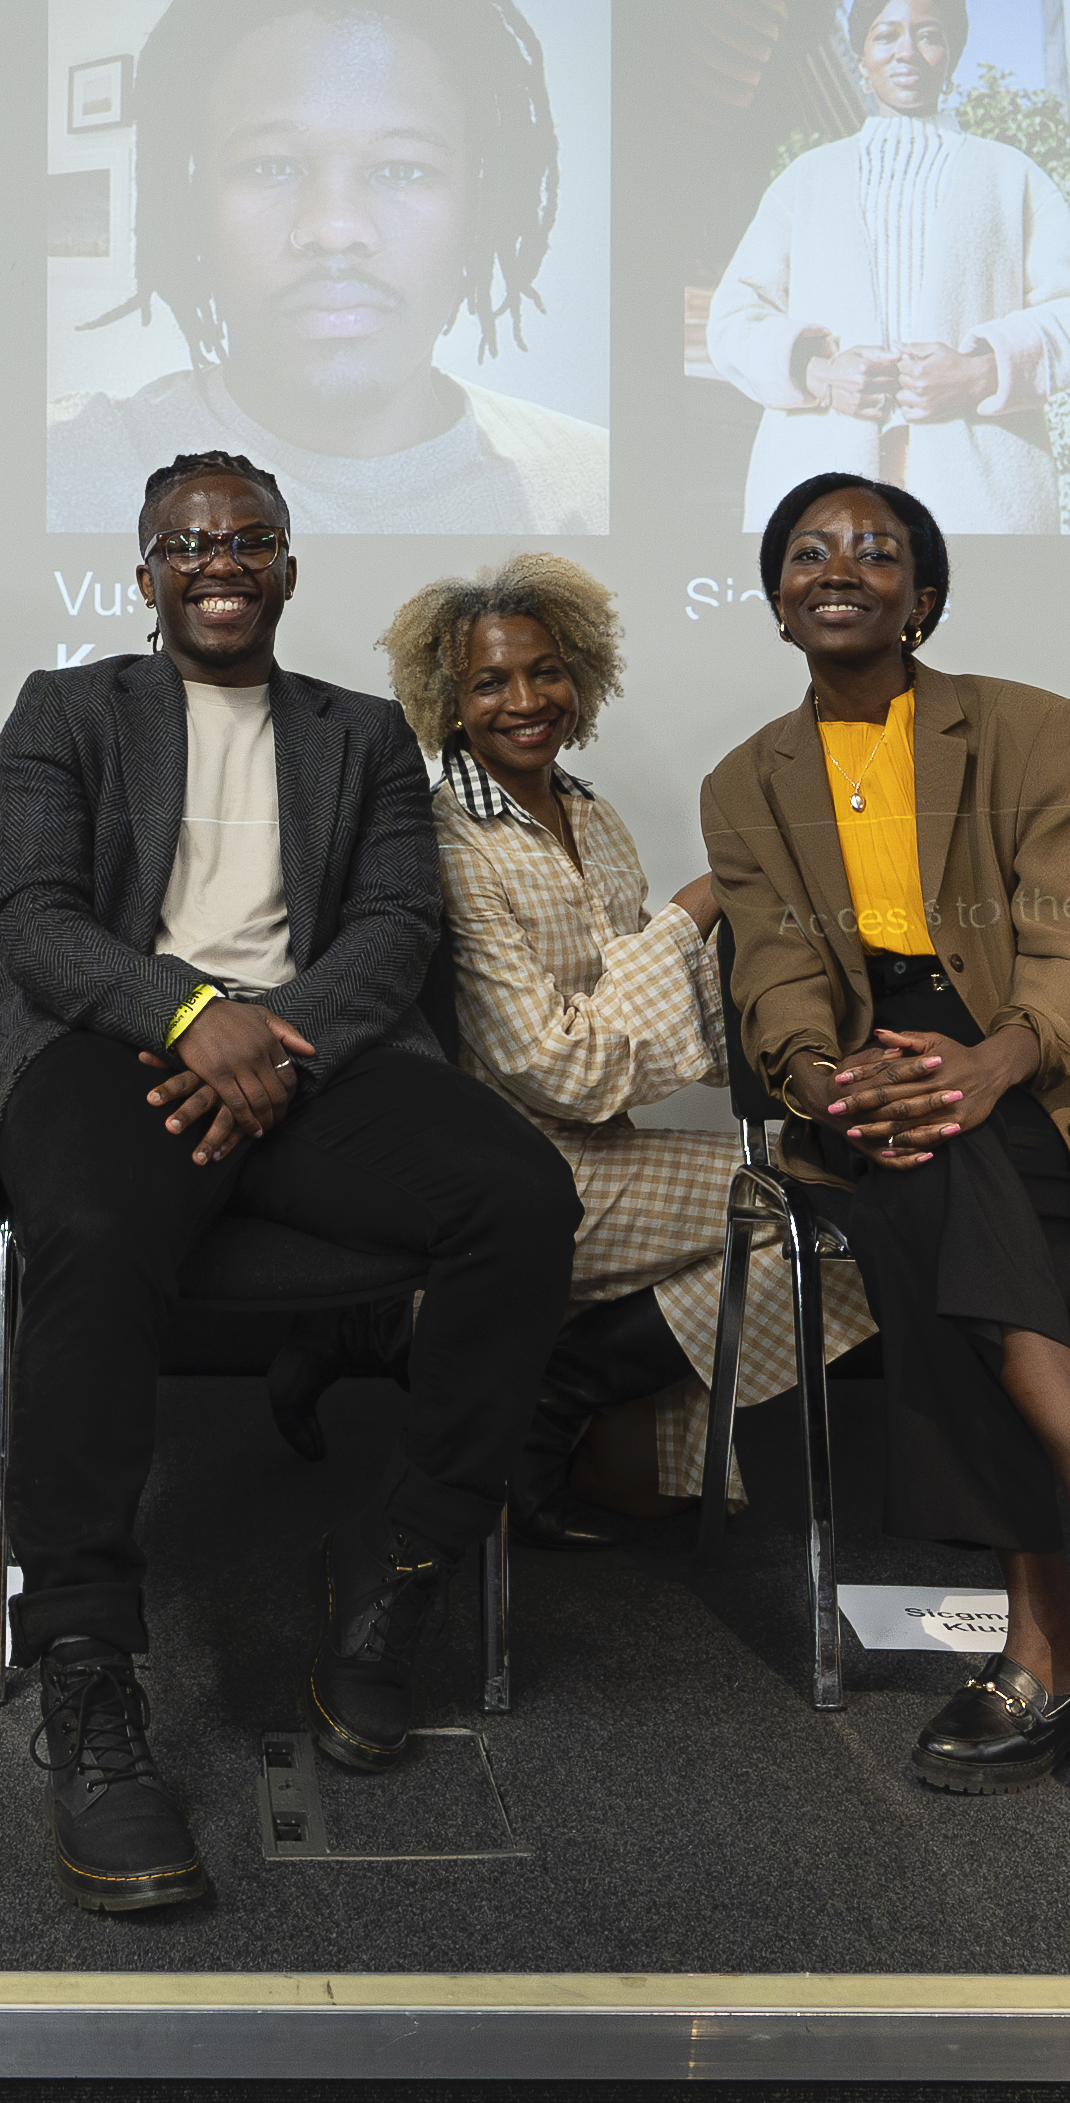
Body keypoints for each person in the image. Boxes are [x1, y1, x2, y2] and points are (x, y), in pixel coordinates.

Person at [0, 451, 580, 1914]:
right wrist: (185, 1016)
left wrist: (268, 1042)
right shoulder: (66, 710)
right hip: (110, 1051)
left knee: (520, 1198)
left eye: (249, 541)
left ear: (288, 567)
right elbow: (33, 915)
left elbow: (398, 924)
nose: (219, 562)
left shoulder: (361, 733)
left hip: (311, 1054)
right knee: (93, 1230)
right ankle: (89, 1679)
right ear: (144, 572)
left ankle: (402, 1560)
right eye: (188, 543)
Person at [700, 471, 1070, 1795]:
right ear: (776, 602)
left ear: (923, 598)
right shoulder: (744, 783)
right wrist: (822, 1083)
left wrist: (994, 1059)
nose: (838, 568)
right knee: (930, 1162)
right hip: (868, 1076)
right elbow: (775, 969)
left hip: (1046, 1072)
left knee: (939, 1190)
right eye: (808, 553)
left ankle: (1049, 1640)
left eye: (874, 551)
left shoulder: (1027, 728)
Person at [344, 551, 874, 1541]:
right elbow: (564, 1069)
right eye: (489, 682)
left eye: (545, 670)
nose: (524, 700)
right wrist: (696, 905)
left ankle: (556, 1382)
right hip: (517, 1178)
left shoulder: (594, 816)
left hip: (605, 1155)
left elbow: (652, 1024)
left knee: (649, 1487)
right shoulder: (445, 843)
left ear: (580, 674)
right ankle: (545, 1394)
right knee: (836, 1217)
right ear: (447, 704)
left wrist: (825, 1048)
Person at [44, 0, 608, 536]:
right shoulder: (52, 470)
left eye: (402, 169)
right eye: (271, 165)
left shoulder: (596, 487)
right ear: (195, 205)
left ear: (478, 206)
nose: (335, 229)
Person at [705, 0, 1070, 536]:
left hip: (980, 504)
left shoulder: (1013, 176)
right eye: (885, 35)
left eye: (928, 35)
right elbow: (732, 319)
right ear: (861, 58)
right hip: (819, 497)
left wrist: (980, 373)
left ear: (951, 56)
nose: (907, 52)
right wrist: (819, 375)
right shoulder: (805, 181)